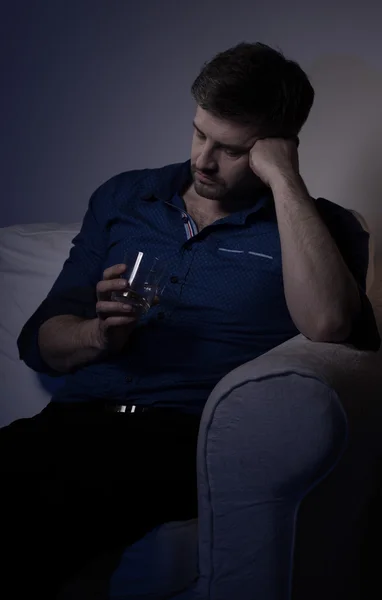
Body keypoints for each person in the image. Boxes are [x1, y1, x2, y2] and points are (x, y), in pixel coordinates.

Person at [1, 42, 380, 598]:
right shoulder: (128, 196)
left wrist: (283, 181)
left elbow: (328, 322)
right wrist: (97, 335)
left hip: (180, 441)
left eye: (230, 149)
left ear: (275, 147)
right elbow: (39, 342)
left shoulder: (318, 228)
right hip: (74, 423)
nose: (202, 160)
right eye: (199, 132)